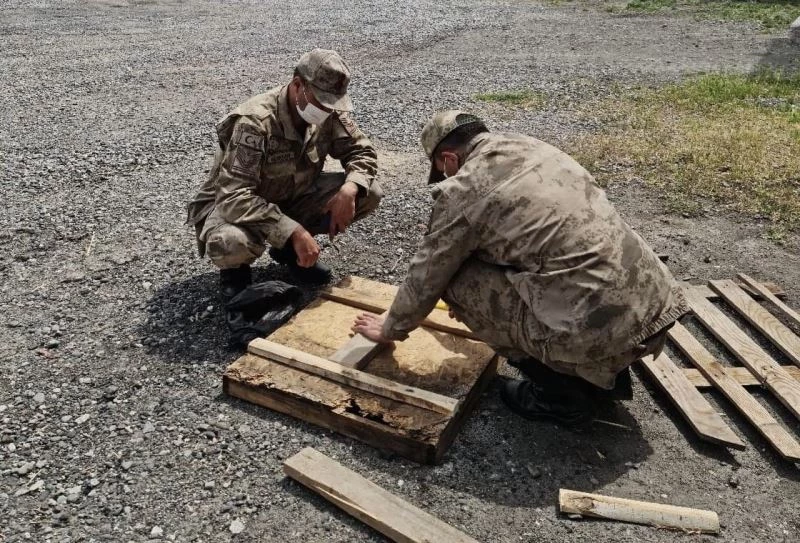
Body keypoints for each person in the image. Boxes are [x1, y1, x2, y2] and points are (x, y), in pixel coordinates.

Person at [353, 111, 689, 426]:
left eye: (443, 170)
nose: (446, 177)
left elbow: (429, 272)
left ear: (449, 159)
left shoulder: (465, 187)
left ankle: (563, 394)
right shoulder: (531, 147)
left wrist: (391, 328)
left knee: (456, 281)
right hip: (654, 305)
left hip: (598, 327)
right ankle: (599, 367)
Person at [187, 49, 381, 302]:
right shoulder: (255, 122)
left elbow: (362, 151)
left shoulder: (327, 109)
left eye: (332, 102)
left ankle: (290, 252)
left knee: (369, 192)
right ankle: (236, 277)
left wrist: (350, 188)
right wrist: (294, 230)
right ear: (298, 85)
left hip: (291, 194)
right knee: (231, 242)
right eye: (321, 101)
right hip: (236, 207)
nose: (327, 109)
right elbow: (233, 196)